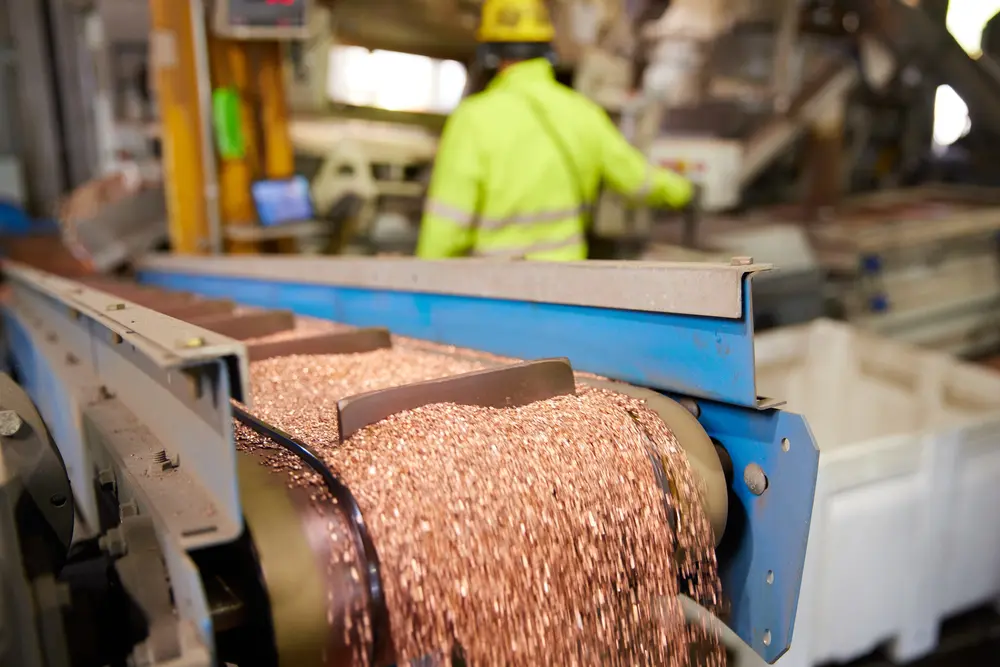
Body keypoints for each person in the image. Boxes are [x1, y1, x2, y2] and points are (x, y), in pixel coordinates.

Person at [416, 0, 695, 260]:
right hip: (565, 286)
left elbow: (446, 227)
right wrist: (683, 190)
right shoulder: (582, 112)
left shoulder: (473, 119)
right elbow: (634, 177)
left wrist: (421, 279)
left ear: (491, 52)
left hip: (496, 293)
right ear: (547, 47)